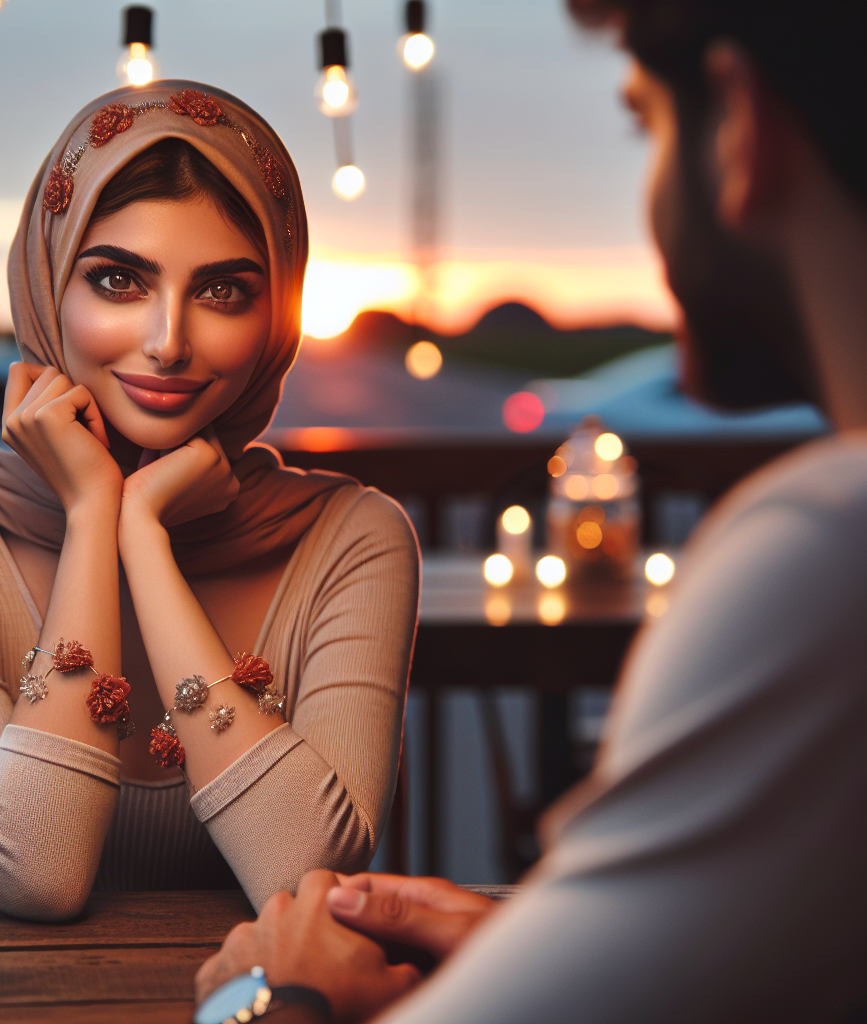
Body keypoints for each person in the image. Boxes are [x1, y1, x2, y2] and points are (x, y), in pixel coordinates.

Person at [194, 2, 867, 1021]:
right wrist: (566, 944)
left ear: (739, 123)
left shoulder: (826, 555)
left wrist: (268, 998)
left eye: (645, 125)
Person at [0, 83, 418, 920]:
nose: (168, 341)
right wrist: (92, 519)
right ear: (48, 285)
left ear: (277, 317)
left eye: (224, 291)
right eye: (118, 280)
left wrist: (141, 536)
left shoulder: (354, 537)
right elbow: (32, 873)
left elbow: (304, 877)